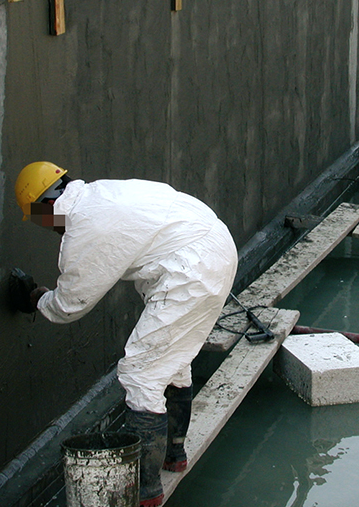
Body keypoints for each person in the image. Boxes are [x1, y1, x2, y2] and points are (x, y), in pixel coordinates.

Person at [14, 162, 238, 507]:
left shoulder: (85, 228)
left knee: (140, 374)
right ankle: (173, 454)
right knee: (173, 362)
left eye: (40, 220)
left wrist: (38, 300)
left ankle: (146, 491)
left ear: (43, 209)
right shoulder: (100, 194)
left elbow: (73, 302)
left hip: (191, 270)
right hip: (215, 249)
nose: (47, 229)